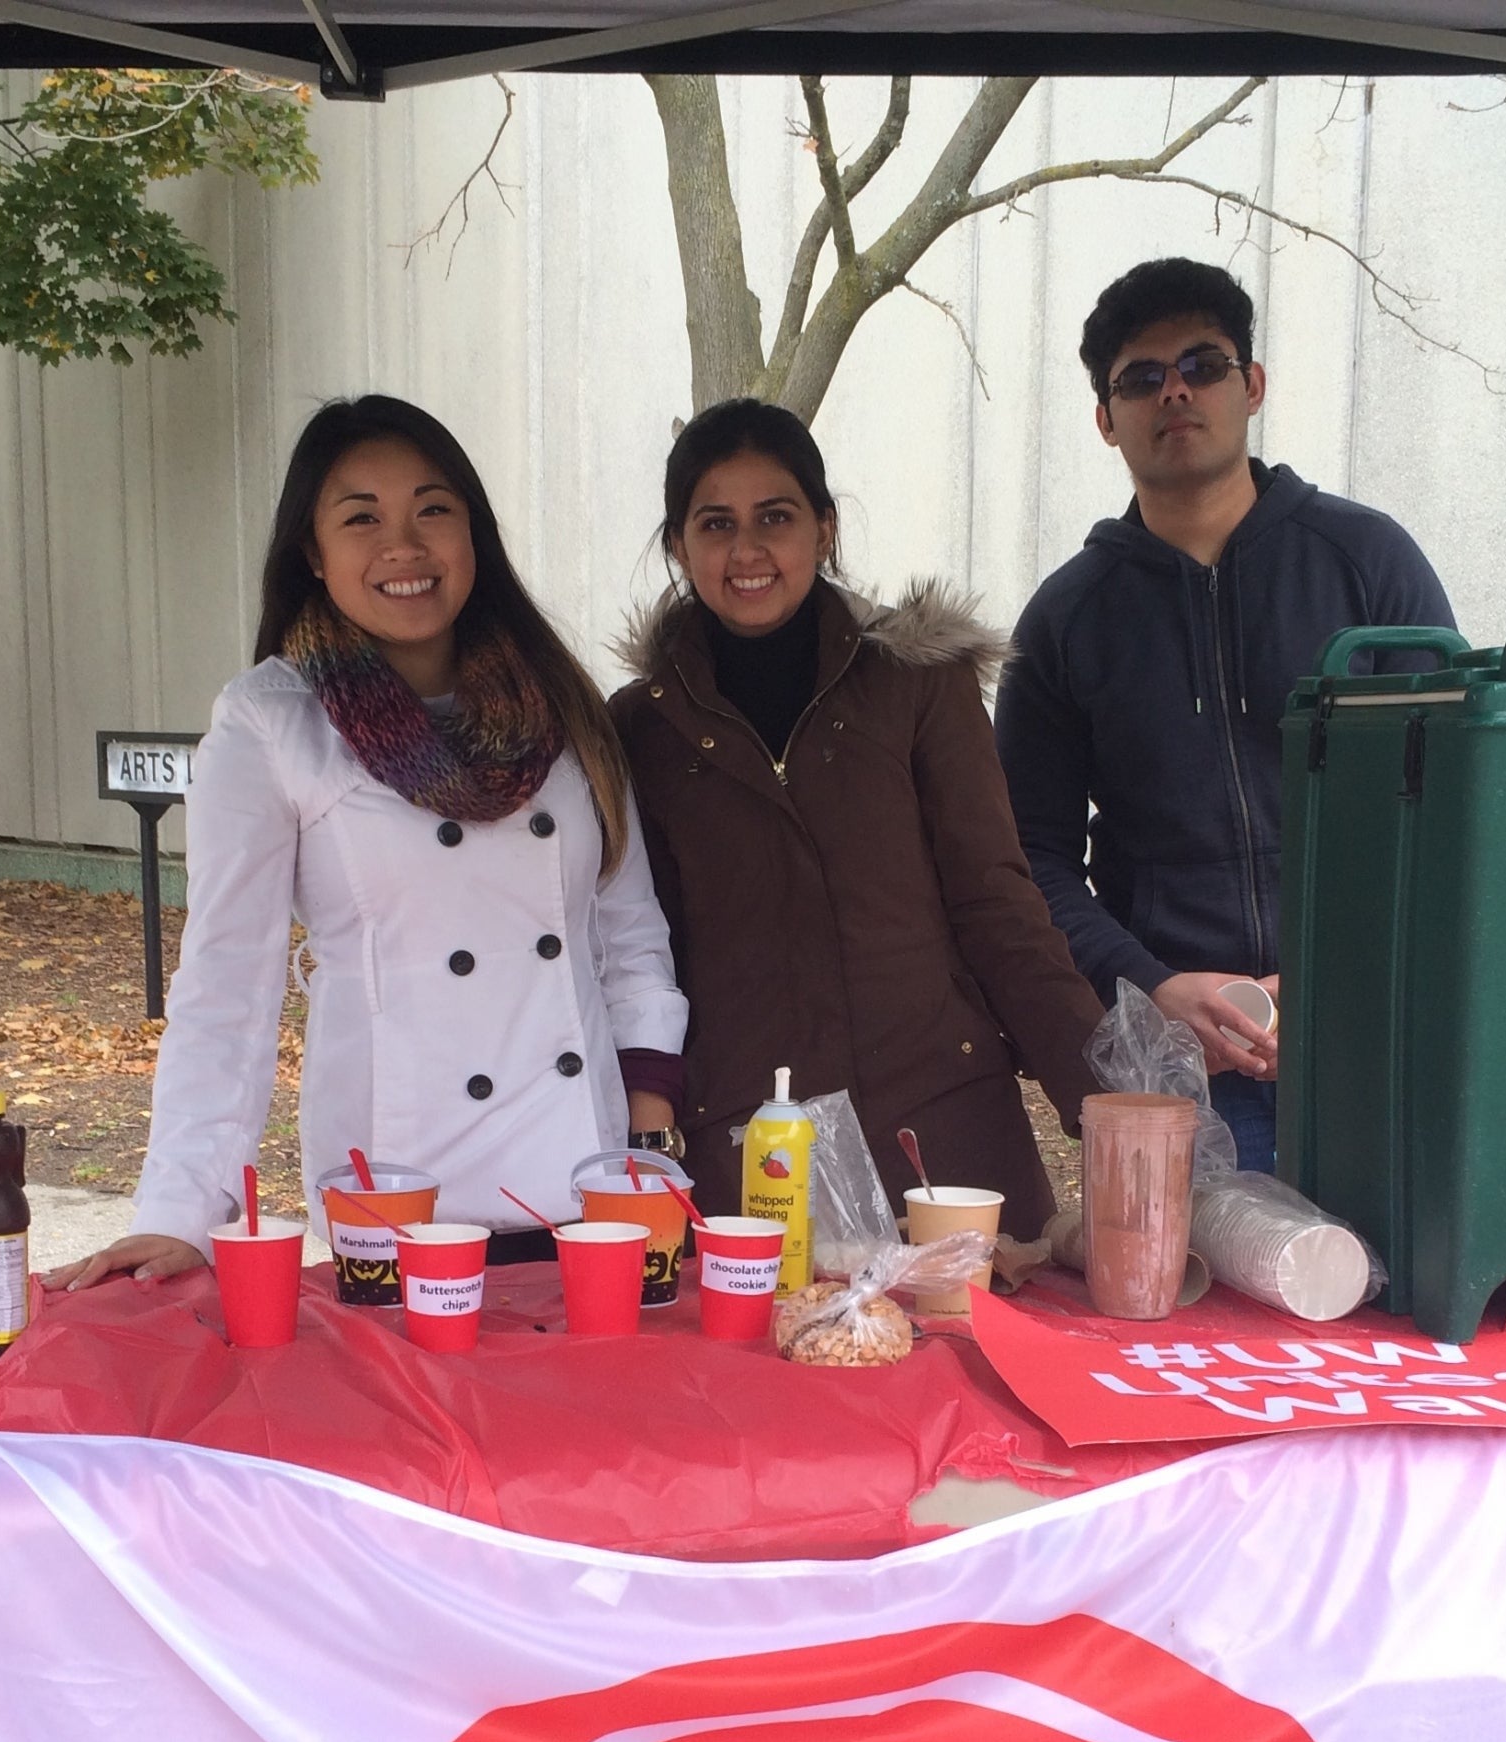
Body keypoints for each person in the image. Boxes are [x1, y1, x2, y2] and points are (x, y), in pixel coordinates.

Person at [49, 395, 686, 1289]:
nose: (405, 547)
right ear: (312, 552)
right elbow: (228, 985)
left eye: (433, 509)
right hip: (400, 1198)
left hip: (585, 1186)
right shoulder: (271, 723)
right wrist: (181, 1214)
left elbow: (629, 934)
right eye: (361, 519)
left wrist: (647, 1144)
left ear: (474, 533)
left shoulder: (562, 702)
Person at [997, 257, 1458, 1176]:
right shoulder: (1066, 620)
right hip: (1181, 1069)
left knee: (1394, 1305)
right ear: (1105, 418)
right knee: (1206, 1309)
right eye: (1140, 378)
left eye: (1203, 365)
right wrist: (1155, 987)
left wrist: (1342, 972)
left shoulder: (1367, 564)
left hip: (1371, 1040)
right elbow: (1028, 859)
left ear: (1251, 387)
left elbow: (1451, 802)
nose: (1175, 391)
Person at [611, 398, 1103, 1240]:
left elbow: (996, 904)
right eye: (715, 524)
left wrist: (1100, 1100)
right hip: (751, 1148)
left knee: (973, 1361)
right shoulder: (638, 729)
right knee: (770, 1368)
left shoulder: (916, 684)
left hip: (942, 1134)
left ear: (825, 527)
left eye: (777, 517)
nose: (748, 551)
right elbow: (640, 952)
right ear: (677, 546)